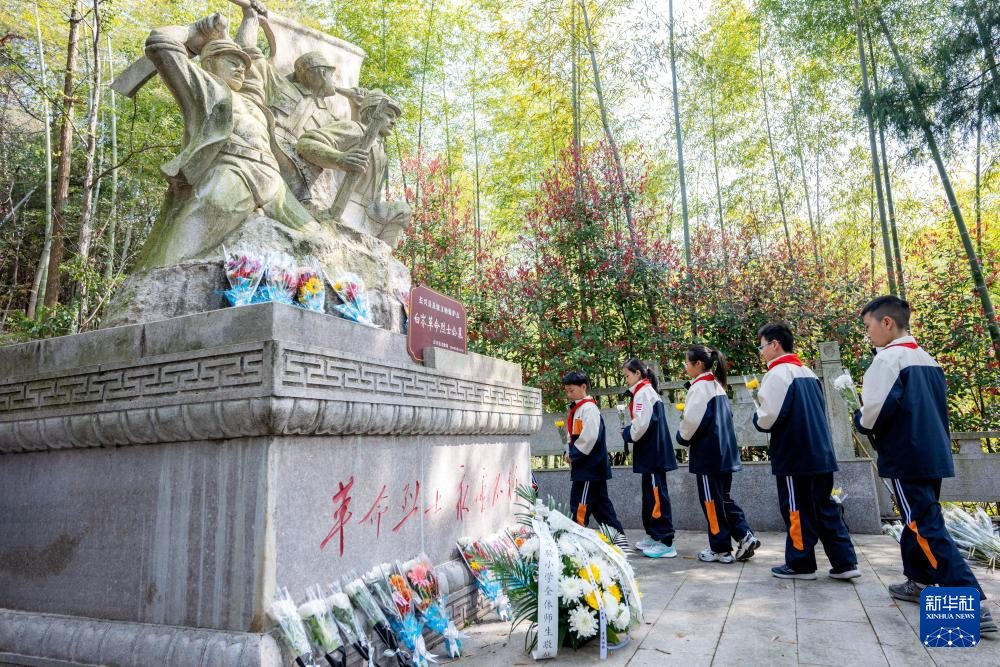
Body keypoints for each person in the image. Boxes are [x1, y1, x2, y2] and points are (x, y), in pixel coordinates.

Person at [853, 296, 996, 633]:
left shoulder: (887, 360)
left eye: (868, 326)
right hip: (932, 452)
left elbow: (873, 413)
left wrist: (859, 419)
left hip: (906, 455)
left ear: (887, 323)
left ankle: (968, 602)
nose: (868, 334)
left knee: (923, 524)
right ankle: (918, 581)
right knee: (917, 519)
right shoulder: (926, 358)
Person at [753, 322, 861, 581]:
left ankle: (801, 564)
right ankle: (845, 563)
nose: (761, 352)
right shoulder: (807, 372)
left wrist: (757, 417)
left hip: (795, 454)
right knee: (825, 507)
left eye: (762, 346)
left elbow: (768, 417)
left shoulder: (777, 374)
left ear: (775, 344)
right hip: (820, 452)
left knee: (796, 509)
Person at [676, 345, 760, 564]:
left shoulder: (699, 387)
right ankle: (745, 536)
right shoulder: (716, 385)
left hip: (708, 456)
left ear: (698, 364)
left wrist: (681, 437)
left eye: (687, 363)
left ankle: (720, 549)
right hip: (725, 454)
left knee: (711, 502)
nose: (685, 367)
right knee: (724, 499)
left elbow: (691, 420)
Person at [561, 371, 629, 552]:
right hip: (590, 467)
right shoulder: (579, 408)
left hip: (588, 468)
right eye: (567, 391)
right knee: (601, 507)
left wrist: (573, 454)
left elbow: (590, 437)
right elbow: (574, 435)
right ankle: (619, 540)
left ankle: (576, 540)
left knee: (580, 505)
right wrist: (568, 450)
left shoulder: (589, 408)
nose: (569, 394)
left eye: (571, 390)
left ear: (583, 387)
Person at [621, 359, 678, 558]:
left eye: (627, 375)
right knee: (651, 495)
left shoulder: (643, 392)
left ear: (638, 373)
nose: (626, 379)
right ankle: (654, 535)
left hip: (653, 453)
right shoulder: (645, 391)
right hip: (650, 453)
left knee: (656, 496)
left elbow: (641, 424)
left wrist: (627, 433)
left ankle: (666, 541)